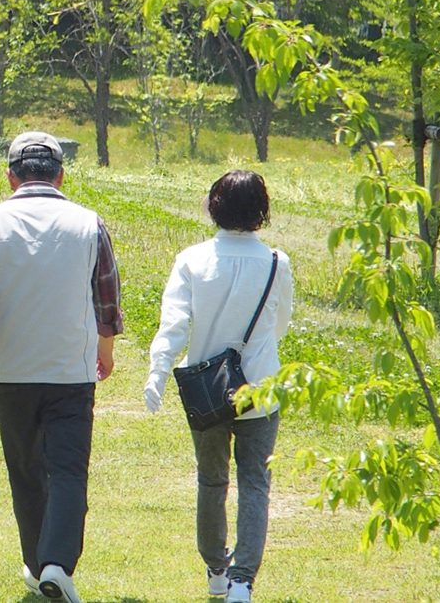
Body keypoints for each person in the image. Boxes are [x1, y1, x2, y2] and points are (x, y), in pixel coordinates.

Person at [0, 130, 123, 603]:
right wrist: (105, 349)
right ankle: (56, 564)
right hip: (71, 370)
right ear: (62, 176)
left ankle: (39, 564)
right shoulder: (89, 224)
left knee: (25, 470)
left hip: (11, 371)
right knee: (67, 470)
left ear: (10, 177)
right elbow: (106, 296)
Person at [143, 170, 293, 603]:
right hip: (261, 386)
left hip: (207, 390)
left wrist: (157, 371)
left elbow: (173, 325)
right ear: (262, 210)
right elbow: (279, 325)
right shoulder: (275, 262)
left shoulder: (192, 259)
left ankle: (216, 569)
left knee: (211, 481)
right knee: (254, 483)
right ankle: (243, 580)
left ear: (214, 206)